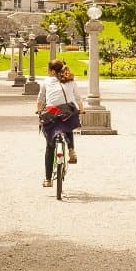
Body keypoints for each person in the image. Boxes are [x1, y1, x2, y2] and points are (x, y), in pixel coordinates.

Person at [36, 59, 84, 188]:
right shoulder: (71, 80)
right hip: (68, 110)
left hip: (52, 111)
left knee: (49, 146)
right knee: (67, 119)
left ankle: (47, 179)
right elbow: (78, 98)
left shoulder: (46, 81)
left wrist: (39, 110)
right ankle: (71, 149)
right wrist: (81, 109)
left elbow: (40, 99)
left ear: (52, 71)